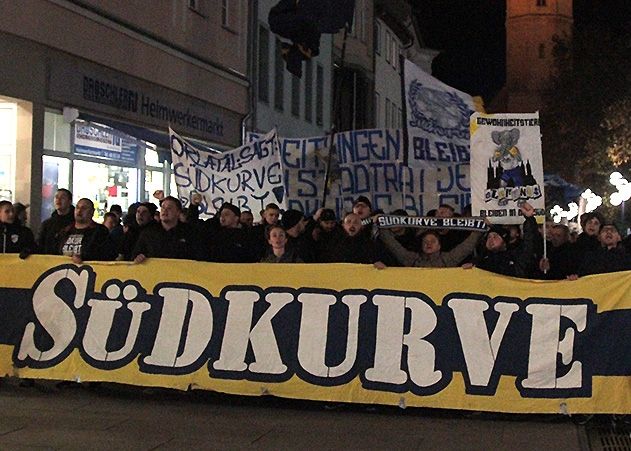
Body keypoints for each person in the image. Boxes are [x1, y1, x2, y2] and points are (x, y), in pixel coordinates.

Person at [469, 202, 538, 278]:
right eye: (489, 237)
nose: (491, 239)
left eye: (495, 236)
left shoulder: (517, 257)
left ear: (504, 241)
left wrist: (530, 219)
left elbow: (529, 242)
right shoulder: (481, 260)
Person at [378, 224, 481, 268]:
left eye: (432, 241)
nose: (428, 244)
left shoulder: (447, 259)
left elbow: (466, 247)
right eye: (425, 242)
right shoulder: (412, 259)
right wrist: (382, 227)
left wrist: (479, 230)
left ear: (439, 246)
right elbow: (394, 247)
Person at [132, 196, 201, 262]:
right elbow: (135, 255)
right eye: (163, 207)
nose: (165, 210)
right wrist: (139, 257)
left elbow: (198, 257)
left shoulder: (188, 232)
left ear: (178, 212)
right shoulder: (148, 232)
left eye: (169, 208)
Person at [56, 198, 115, 263]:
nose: (79, 211)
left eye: (84, 208)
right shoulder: (65, 231)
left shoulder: (100, 231)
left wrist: (84, 258)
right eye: (77, 207)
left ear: (92, 211)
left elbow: (108, 255)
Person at [38, 188, 74, 255]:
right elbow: (39, 245)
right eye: (56, 197)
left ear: (69, 201)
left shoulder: (76, 223)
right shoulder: (47, 224)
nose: (58, 200)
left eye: (62, 197)